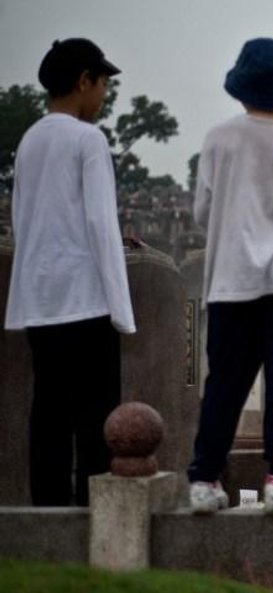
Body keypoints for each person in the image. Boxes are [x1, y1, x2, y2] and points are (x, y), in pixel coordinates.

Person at [187, 38, 273, 515]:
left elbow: (204, 210)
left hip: (231, 276)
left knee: (225, 381)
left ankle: (204, 478)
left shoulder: (218, 139)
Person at [4, 39, 135, 506]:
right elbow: (100, 222)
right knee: (97, 420)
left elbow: (22, 218)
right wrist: (122, 311)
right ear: (84, 82)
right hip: (86, 300)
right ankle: (92, 514)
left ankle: (48, 516)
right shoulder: (88, 139)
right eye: (102, 85)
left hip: (40, 301)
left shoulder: (30, 139)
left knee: (49, 416)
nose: (102, 96)